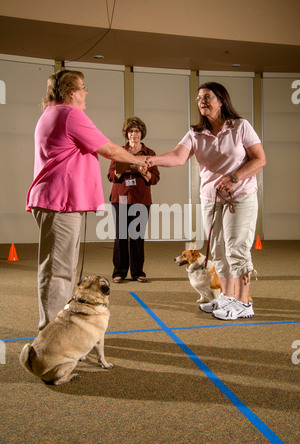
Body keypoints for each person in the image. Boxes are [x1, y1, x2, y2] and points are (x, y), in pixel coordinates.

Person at [26, 70, 148, 331]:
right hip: (58, 202)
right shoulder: (69, 114)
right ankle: (51, 334)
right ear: (71, 92)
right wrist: (141, 160)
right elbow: (108, 149)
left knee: (65, 271)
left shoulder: (53, 112)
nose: (86, 92)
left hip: (60, 202)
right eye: (83, 88)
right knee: (58, 273)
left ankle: (60, 329)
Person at [147, 82, 266, 321]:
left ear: (221, 100)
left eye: (208, 97)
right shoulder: (196, 133)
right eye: (199, 98)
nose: (202, 101)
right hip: (211, 200)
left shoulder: (240, 127)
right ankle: (228, 297)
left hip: (240, 197)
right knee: (219, 251)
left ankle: (244, 303)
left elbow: (260, 159)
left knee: (237, 249)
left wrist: (235, 177)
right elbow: (178, 156)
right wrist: (153, 160)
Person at [107, 117, 160, 283]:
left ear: (141, 133)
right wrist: (122, 169)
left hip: (141, 199)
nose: (133, 134)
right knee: (121, 236)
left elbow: (155, 178)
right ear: (126, 134)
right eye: (130, 131)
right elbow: (110, 176)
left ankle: (138, 272)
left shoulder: (149, 153)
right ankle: (119, 272)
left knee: (137, 236)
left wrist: (141, 170)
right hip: (120, 197)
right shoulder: (118, 151)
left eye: (136, 131)